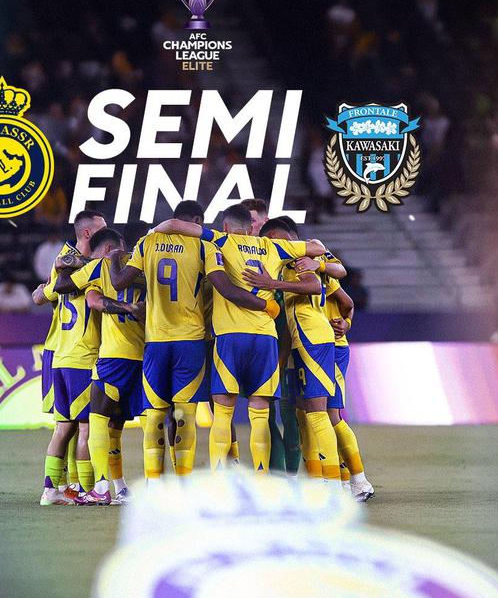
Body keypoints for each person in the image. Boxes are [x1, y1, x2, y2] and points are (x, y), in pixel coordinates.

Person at [110, 200, 278, 485]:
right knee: (185, 414)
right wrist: (265, 303)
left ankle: (153, 483)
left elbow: (119, 283)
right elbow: (224, 287)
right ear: (197, 222)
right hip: (191, 340)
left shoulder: (147, 243)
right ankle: (184, 483)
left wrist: (115, 258)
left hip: (156, 340)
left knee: (155, 415)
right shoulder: (205, 247)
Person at [152, 204, 325, 474]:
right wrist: (317, 263)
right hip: (265, 338)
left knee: (223, 412)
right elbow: (316, 247)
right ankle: (262, 479)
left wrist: (153, 231)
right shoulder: (273, 247)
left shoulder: (221, 240)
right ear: (250, 228)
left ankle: (219, 480)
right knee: (260, 413)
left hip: (230, 337)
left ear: (225, 226)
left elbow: (175, 225)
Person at [242, 219, 340, 483]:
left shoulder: (298, 259)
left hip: (314, 338)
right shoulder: (289, 263)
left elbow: (314, 285)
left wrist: (272, 284)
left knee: (318, 414)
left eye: (272, 240)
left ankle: (335, 485)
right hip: (302, 340)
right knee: (306, 413)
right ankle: (319, 480)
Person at [55, 227, 146, 504]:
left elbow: (62, 286)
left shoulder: (101, 268)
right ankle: (123, 487)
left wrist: (66, 263)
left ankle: (102, 485)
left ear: (106, 251)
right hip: (144, 355)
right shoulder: (144, 264)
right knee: (119, 427)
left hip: (113, 356)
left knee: (97, 419)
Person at [33, 210, 106, 506]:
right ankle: (86, 489)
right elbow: (43, 295)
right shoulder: (83, 265)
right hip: (80, 354)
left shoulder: (64, 262)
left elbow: (43, 295)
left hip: (61, 354)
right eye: (102, 228)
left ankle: (56, 487)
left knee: (66, 427)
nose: (107, 233)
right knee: (86, 426)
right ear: (88, 233)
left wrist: (44, 290)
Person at [324, 275, 374, 502]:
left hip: (331, 346)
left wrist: (347, 323)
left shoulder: (319, 265)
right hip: (307, 345)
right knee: (310, 417)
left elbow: (348, 303)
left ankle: (359, 480)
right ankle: (344, 482)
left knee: (330, 415)